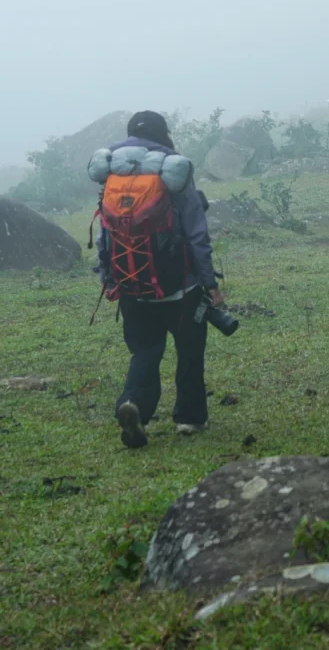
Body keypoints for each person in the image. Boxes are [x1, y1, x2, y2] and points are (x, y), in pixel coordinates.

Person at [96, 110, 226, 449]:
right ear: (162, 134)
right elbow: (197, 233)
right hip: (179, 286)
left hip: (131, 285)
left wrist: (109, 277)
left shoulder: (113, 171)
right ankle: (189, 418)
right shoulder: (174, 170)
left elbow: (105, 234)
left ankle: (134, 403)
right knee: (189, 350)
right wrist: (210, 284)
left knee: (145, 350)